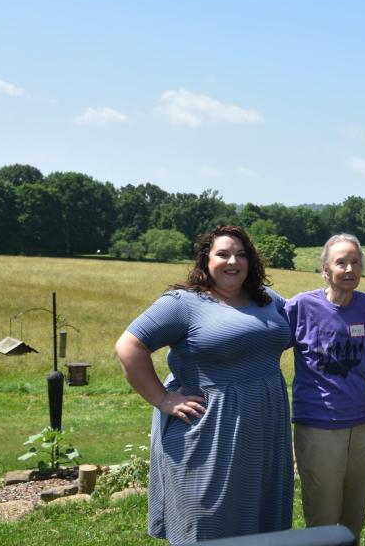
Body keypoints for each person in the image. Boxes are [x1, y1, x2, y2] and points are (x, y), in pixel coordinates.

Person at [115, 225, 294, 545]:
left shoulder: (267, 300)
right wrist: (163, 399)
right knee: (207, 520)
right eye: (223, 254)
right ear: (205, 260)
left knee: (261, 520)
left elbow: (307, 324)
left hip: (264, 431)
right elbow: (129, 347)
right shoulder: (183, 303)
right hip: (210, 432)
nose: (233, 262)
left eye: (241, 255)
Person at [284, 233, 365, 541]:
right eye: (341, 263)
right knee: (323, 511)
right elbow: (267, 346)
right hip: (319, 424)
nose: (349, 269)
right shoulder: (300, 307)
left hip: (364, 421)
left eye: (355, 262)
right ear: (325, 268)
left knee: (354, 510)